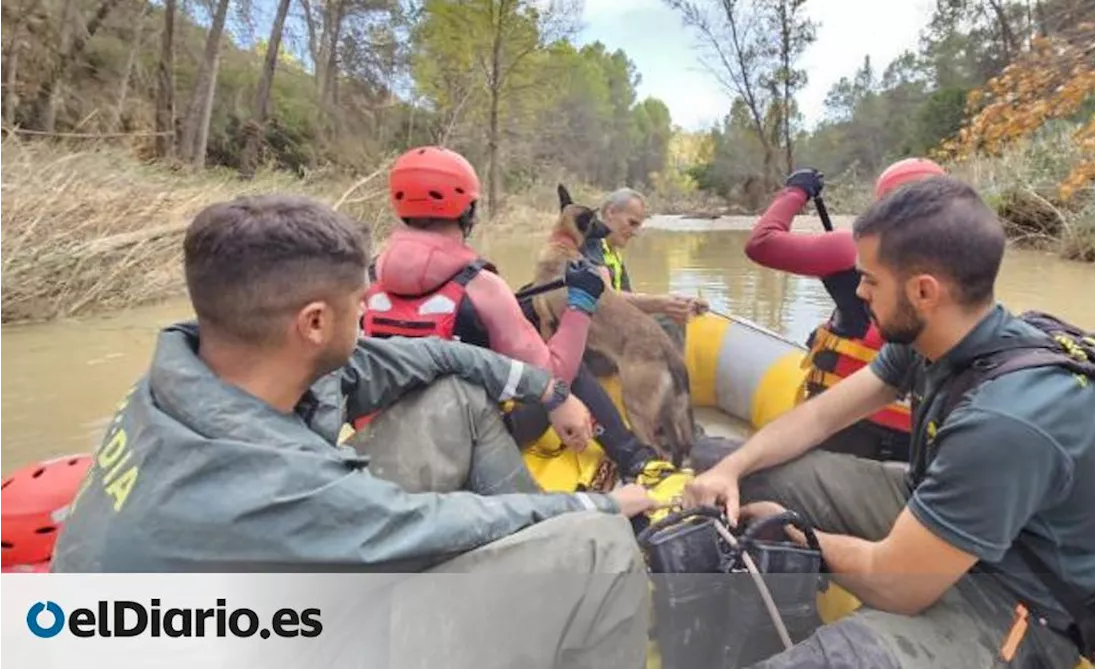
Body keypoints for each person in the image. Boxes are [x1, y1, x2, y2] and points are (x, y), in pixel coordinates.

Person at [51, 194, 655, 668]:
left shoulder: (200, 363)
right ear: (314, 322)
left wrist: (548, 390)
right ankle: (566, 576)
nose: (367, 312)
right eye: (358, 303)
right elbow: (426, 526)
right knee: (601, 546)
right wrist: (595, 506)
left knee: (456, 399)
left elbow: (436, 361)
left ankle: (541, 574)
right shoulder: (274, 482)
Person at [684, 176, 1095, 669]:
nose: (858, 291)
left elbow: (898, 585)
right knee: (739, 475)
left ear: (924, 290)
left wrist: (796, 532)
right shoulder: (932, 341)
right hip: (948, 521)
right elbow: (821, 415)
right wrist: (731, 468)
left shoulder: (1006, 421)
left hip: (1017, 602)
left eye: (870, 280)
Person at [360, 146, 665, 481]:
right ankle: (634, 459)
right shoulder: (481, 286)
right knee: (572, 370)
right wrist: (580, 305)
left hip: (383, 438)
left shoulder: (366, 278)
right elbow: (554, 375)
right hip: (464, 444)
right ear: (469, 209)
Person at [744, 158, 947, 463]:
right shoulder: (964, 260)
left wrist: (795, 191)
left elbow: (761, 243)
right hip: (918, 433)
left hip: (849, 421)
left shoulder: (850, 248)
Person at [583, 187, 709, 346]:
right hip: (589, 333)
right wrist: (660, 303)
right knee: (667, 323)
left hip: (609, 325)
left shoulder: (613, 252)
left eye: (638, 226)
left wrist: (677, 303)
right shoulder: (591, 242)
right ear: (610, 212)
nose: (635, 232)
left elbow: (628, 301)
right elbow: (605, 297)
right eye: (632, 223)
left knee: (672, 318)